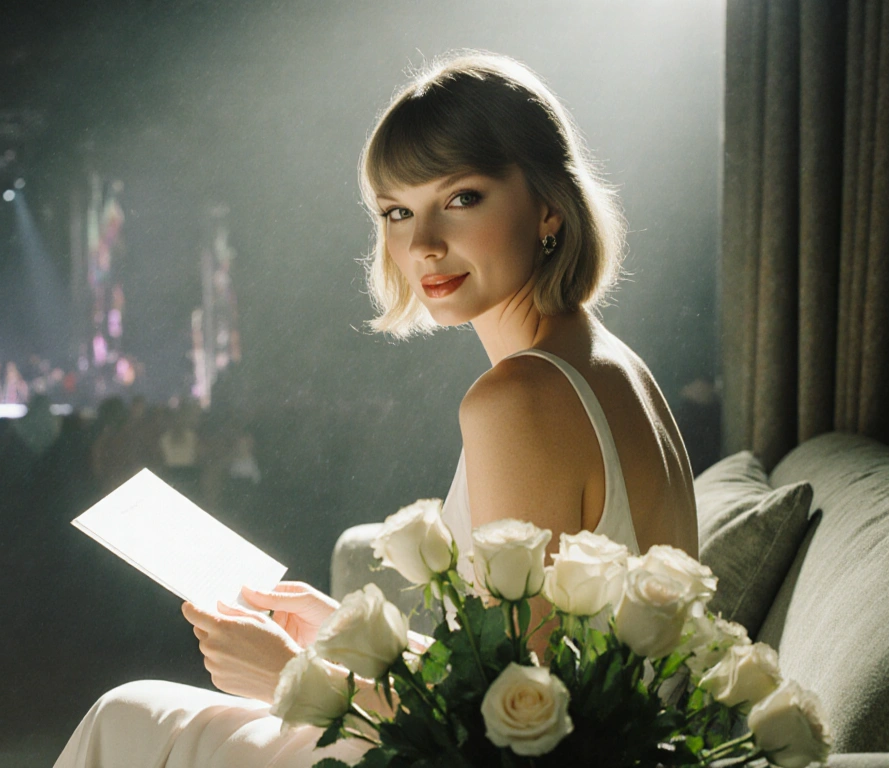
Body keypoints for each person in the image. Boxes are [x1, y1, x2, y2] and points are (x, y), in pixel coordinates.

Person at [53, 51, 698, 768]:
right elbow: (528, 682)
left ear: (549, 204)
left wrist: (296, 680)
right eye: (397, 212)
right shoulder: (611, 364)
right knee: (137, 715)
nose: (423, 244)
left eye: (462, 198)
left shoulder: (523, 397)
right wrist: (347, 638)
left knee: (128, 717)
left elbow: (516, 739)